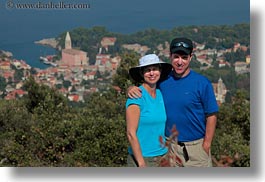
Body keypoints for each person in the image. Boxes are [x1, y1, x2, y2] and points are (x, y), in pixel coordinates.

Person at [127, 38, 219, 167]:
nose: (180, 62)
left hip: (196, 149)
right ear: (170, 56)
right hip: (169, 150)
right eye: (176, 57)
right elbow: (147, 84)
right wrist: (130, 88)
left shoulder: (202, 83)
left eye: (184, 57)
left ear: (191, 57)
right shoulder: (163, 80)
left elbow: (211, 115)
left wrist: (206, 145)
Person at [126, 54, 172, 167]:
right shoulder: (136, 97)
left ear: (160, 71)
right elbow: (131, 133)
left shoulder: (161, 94)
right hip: (143, 159)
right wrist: (141, 163)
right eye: (148, 70)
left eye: (155, 69)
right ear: (142, 73)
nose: (152, 73)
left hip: (163, 156)